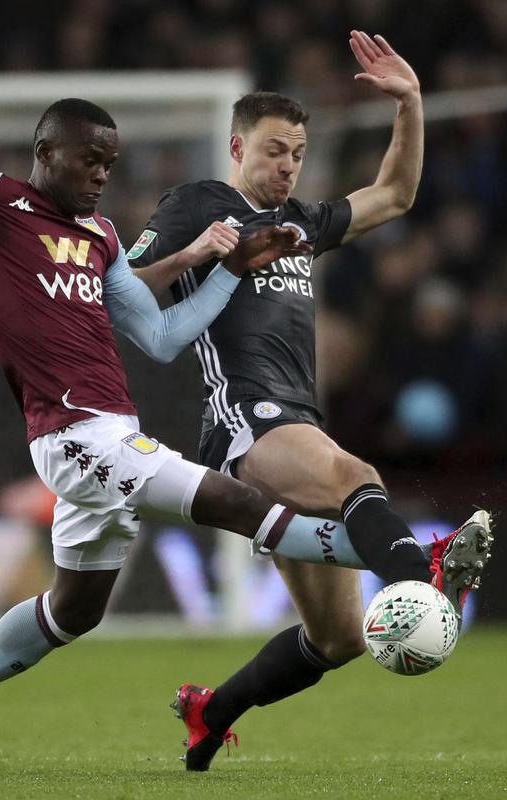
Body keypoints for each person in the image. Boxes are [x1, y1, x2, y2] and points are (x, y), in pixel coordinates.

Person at [0, 96, 472, 767]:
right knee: (240, 504)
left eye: (109, 165)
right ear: (46, 151)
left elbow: (164, 335)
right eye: (88, 160)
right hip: (74, 434)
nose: (100, 176)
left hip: (111, 429)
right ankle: (413, 564)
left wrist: (226, 268)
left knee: (72, 612)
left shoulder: (102, 237)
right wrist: (197, 246)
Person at [129, 31, 494, 771]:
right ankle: (418, 574)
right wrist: (199, 254)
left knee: (337, 640)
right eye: (272, 150)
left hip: (300, 422)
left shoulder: (300, 225)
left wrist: (411, 104)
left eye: (295, 151)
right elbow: (126, 288)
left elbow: (394, 194)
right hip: (247, 423)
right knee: (359, 478)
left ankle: (212, 711)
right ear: (236, 147)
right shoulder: (200, 203)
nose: (286, 164)